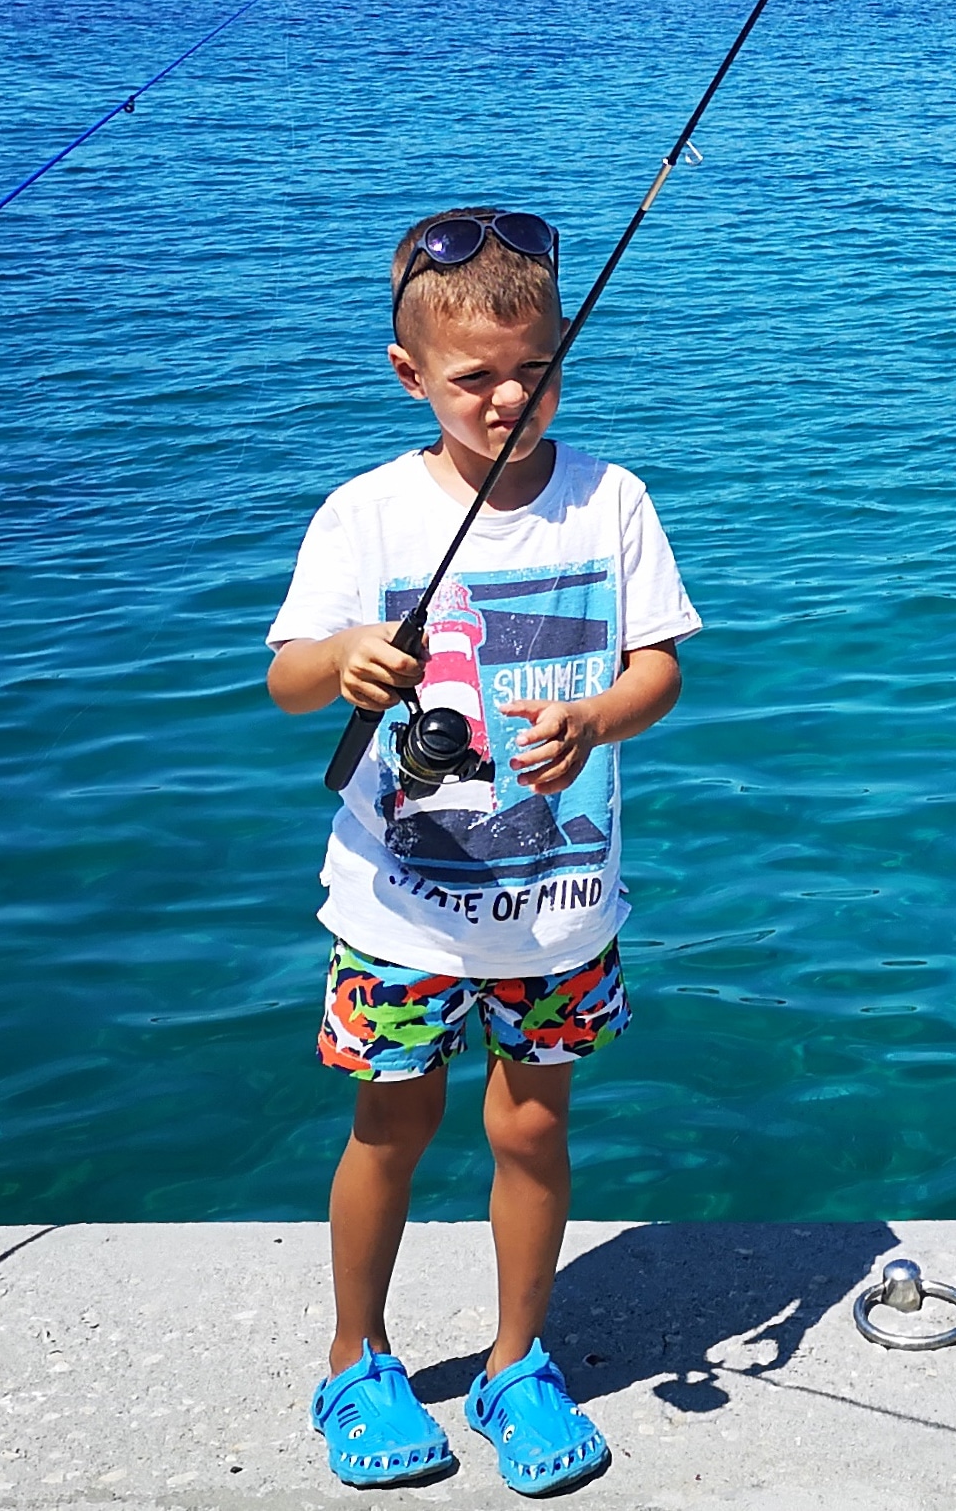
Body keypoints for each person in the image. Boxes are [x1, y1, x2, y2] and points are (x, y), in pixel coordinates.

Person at [266, 207, 697, 1494]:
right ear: (410, 374)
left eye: (535, 366)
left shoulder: (610, 498)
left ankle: (517, 1359)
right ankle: (355, 1356)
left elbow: (659, 667)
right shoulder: (365, 512)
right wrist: (346, 660)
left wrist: (597, 715)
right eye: (474, 376)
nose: (508, 396)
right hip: (399, 914)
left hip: (560, 912)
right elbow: (288, 680)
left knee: (533, 1129)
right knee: (388, 1127)